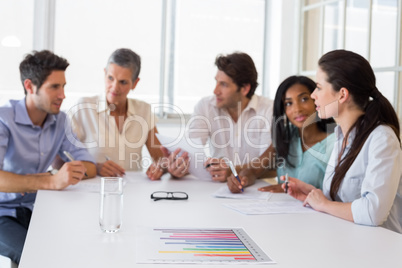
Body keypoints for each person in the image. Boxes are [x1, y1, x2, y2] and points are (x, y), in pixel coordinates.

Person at [284, 50, 401, 233]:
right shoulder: (341, 136)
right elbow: (345, 203)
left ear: (342, 94)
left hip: (380, 250)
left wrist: (323, 205)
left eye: (319, 88)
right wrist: (314, 194)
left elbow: (373, 212)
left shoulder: (382, 139)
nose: (314, 95)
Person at [0, 50, 96, 264]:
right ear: (29, 86)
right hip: (2, 213)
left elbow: (89, 164)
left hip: (39, 208)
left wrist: (71, 171)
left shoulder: (60, 120)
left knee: (79, 249)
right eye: (54, 87)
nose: (62, 95)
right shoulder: (3, 119)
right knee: (38, 258)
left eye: (63, 86)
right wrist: (52, 180)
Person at [167, 52, 274, 181]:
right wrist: (178, 167)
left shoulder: (269, 110)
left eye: (223, 84)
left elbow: (270, 166)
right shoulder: (205, 106)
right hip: (217, 189)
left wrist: (233, 171)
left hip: (258, 190)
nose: (215, 91)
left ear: (245, 88)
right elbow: (190, 153)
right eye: (216, 82)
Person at [69, 48, 165, 180]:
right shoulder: (83, 108)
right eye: (110, 78)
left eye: (123, 82)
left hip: (131, 192)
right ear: (104, 73)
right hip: (91, 192)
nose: (114, 87)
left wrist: (158, 168)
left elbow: (161, 158)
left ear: (135, 83)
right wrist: (95, 167)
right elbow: (64, 160)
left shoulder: (144, 111)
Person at [227, 76, 335, 193]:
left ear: (316, 100)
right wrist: (242, 179)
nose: (297, 109)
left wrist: (291, 190)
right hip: (280, 208)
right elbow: (254, 169)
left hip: (317, 211)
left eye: (304, 99)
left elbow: (341, 194)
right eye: (288, 103)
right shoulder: (286, 136)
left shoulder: (336, 142)